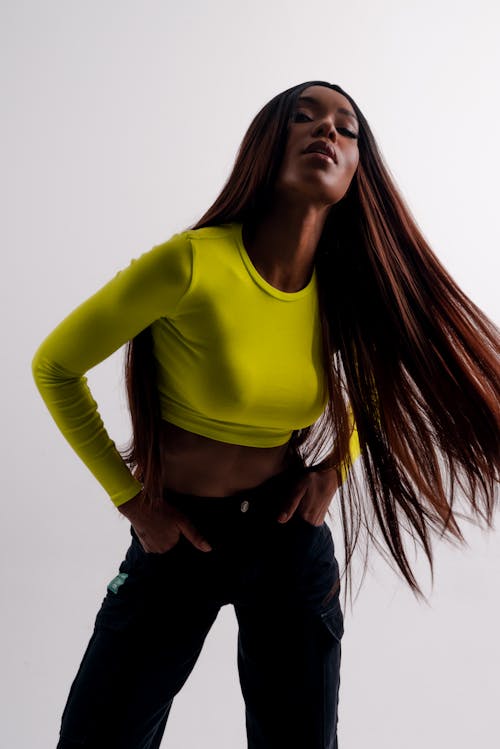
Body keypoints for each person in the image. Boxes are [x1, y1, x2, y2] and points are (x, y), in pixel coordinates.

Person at [32, 80, 499, 749]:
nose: (327, 131)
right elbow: (55, 365)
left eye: (346, 127)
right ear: (266, 146)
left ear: (359, 168)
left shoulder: (345, 290)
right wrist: (132, 501)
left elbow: (372, 387)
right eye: (303, 117)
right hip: (179, 538)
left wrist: (331, 473)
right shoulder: (190, 263)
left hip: (286, 538)